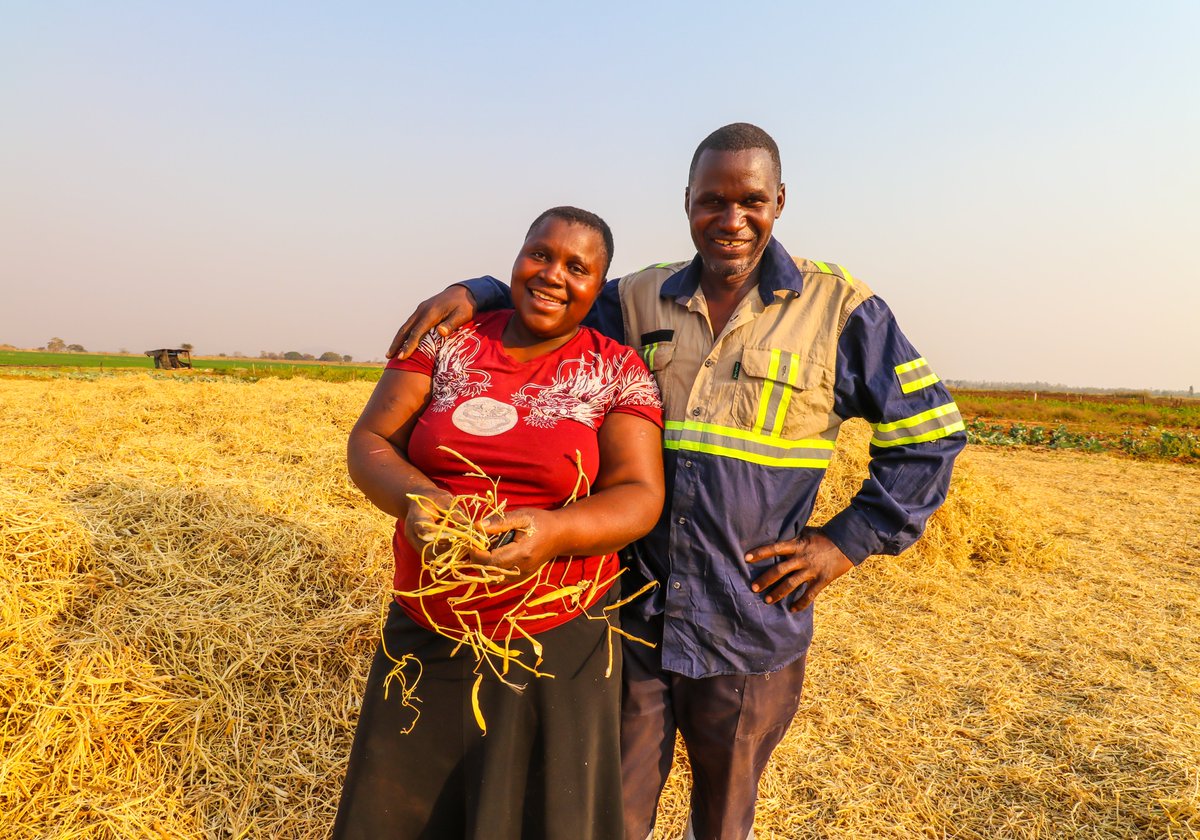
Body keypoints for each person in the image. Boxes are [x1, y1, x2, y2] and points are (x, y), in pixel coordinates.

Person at [388, 124, 967, 840]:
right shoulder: (638, 298)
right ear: (686, 204)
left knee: (723, 821)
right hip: (637, 619)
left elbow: (930, 435)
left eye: (751, 199)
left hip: (750, 622)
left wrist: (843, 543)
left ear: (779, 200)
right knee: (613, 814)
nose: (731, 219)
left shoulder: (841, 308)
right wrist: (476, 289)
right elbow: (553, 293)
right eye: (711, 201)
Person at [336, 206, 665, 840]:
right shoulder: (446, 342)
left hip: (557, 639)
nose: (552, 275)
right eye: (540, 254)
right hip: (429, 626)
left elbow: (639, 495)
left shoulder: (617, 371)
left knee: (540, 817)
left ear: (599, 288)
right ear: (515, 259)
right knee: (402, 814)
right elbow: (371, 440)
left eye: (577, 267)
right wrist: (420, 499)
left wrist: (553, 533)